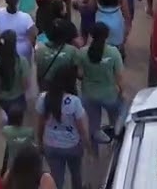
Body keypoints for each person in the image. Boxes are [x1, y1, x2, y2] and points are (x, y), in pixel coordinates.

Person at [36, 64, 91, 189]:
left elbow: (40, 124)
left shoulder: (43, 98)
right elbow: (82, 129)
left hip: (50, 145)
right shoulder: (74, 102)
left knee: (56, 179)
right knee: (76, 174)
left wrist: (40, 142)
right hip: (72, 146)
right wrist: (88, 146)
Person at [77, 22, 124, 156]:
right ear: (107, 35)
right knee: (115, 123)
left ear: (91, 35)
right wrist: (122, 92)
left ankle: (94, 153)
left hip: (89, 95)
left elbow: (79, 74)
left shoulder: (82, 53)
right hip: (110, 95)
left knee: (93, 126)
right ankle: (115, 149)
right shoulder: (114, 52)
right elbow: (119, 77)